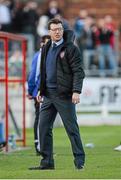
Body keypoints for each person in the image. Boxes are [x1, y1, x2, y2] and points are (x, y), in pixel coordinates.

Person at [29, 18, 85, 170]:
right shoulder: (46, 47)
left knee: (72, 129)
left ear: (62, 30)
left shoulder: (71, 48)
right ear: (49, 32)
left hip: (64, 95)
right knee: (43, 128)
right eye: (54, 29)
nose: (57, 32)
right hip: (47, 95)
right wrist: (40, 89)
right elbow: (43, 70)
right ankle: (47, 162)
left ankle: (79, 161)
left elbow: (78, 72)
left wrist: (76, 91)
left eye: (59, 29)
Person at [27, 35, 50, 155]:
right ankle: (39, 146)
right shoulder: (40, 56)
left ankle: (42, 146)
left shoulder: (46, 55)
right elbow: (33, 75)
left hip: (46, 92)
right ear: (41, 44)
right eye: (46, 43)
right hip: (39, 93)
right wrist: (31, 91)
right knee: (40, 119)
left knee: (43, 120)